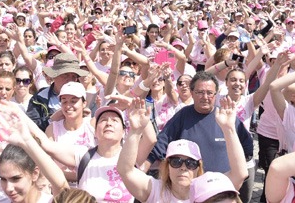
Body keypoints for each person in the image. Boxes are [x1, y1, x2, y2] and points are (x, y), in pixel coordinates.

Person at [118, 97, 247, 202]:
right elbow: (126, 171)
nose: (183, 167)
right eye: (176, 162)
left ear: (198, 167)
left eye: (191, 163)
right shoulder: (155, 190)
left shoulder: (208, 189)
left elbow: (240, 174)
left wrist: (229, 129)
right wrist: (135, 132)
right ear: (167, 166)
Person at [144, 71, 253, 174]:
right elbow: (161, 144)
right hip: (190, 185)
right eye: (200, 92)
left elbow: (247, 148)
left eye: (210, 93)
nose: (205, 97)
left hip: (221, 186)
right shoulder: (183, 115)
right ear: (192, 93)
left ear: (216, 94)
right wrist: (142, 169)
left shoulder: (226, 117)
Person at [26, 53, 88, 131]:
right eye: (65, 75)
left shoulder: (82, 97)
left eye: (74, 76)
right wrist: (50, 120)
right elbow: (29, 126)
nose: (70, 80)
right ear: (54, 76)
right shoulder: (40, 98)